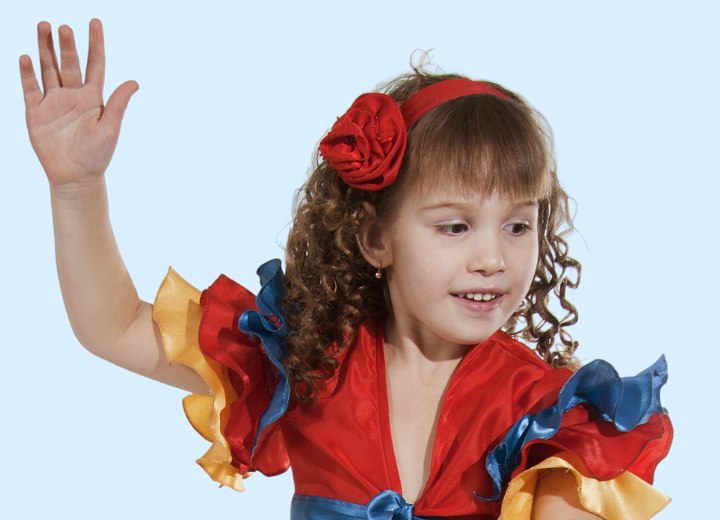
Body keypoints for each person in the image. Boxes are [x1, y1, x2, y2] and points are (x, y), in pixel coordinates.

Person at [20, 18, 672, 519]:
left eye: (518, 225)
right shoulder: (309, 360)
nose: (493, 258)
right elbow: (114, 328)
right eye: (454, 226)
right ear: (375, 239)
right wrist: (77, 188)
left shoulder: (548, 418)